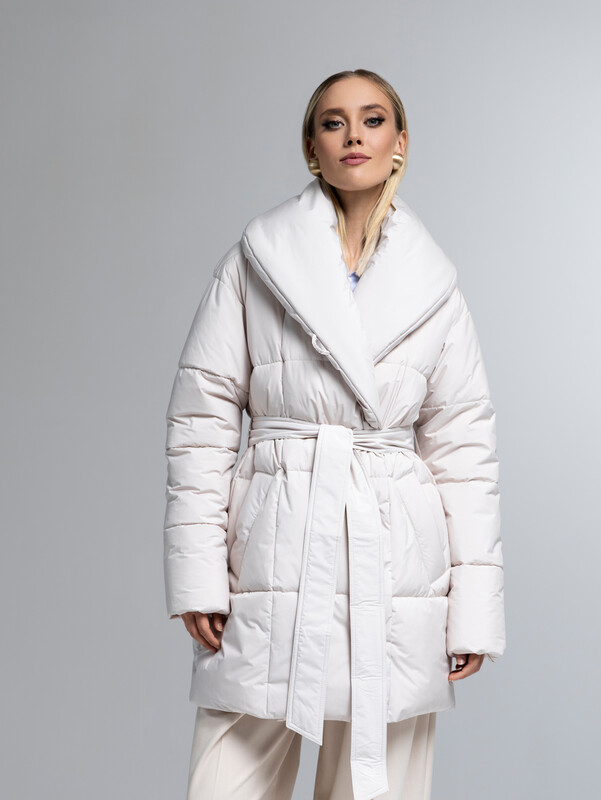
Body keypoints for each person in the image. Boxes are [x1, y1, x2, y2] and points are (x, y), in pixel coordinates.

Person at [163, 68, 506, 800]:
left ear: (400, 141)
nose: (354, 135)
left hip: (396, 559)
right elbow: (202, 422)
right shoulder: (256, 260)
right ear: (311, 147)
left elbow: (463, 452)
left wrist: (474, 609)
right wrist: (197, 573)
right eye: (333, 121)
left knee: (376, 784)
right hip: (276, 544)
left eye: (373, 119)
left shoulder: (435, 285)